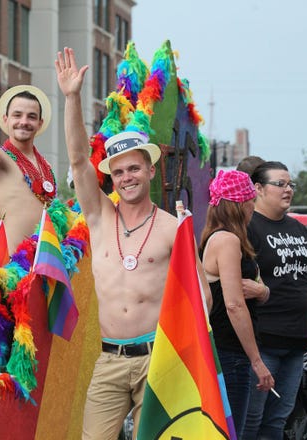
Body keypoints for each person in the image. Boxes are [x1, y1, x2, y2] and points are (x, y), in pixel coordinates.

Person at [55, 47, 212, 439]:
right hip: (110, 359)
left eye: (134, 168)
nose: (127, 177)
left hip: (158, 360)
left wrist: (186, 355)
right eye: (119, 171)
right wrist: (71, 98)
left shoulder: (175, 228)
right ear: (111, 177)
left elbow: (202, 297)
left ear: (150, 169)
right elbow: (77, 160)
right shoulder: (99, 217)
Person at [241, 161, 307, 439]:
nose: (288, 190)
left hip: (297, 344)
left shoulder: (298, 228)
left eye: (290, 185)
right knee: (251, 420)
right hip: (263, 344)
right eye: (280, 184)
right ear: (258, 189)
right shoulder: (248, 229)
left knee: (278, 421)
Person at [199, 170, 274, 436]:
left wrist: (262, 291)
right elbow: (234, 304)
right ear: (240, 204)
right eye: (251, 200)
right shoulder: (227, 241)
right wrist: (257, 361)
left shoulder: (218, 237)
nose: (254, 206)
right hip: (229, 351)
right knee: (231, 431)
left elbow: (258, 287)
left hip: (226, 350)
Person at [0, 63, 53, 251]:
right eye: (17, 115)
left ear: (40, 123)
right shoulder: (0, 160)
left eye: (31, 117)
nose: (24, 122)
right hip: (15, 269)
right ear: (6, 120)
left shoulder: (45, 165)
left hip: (48, 264)